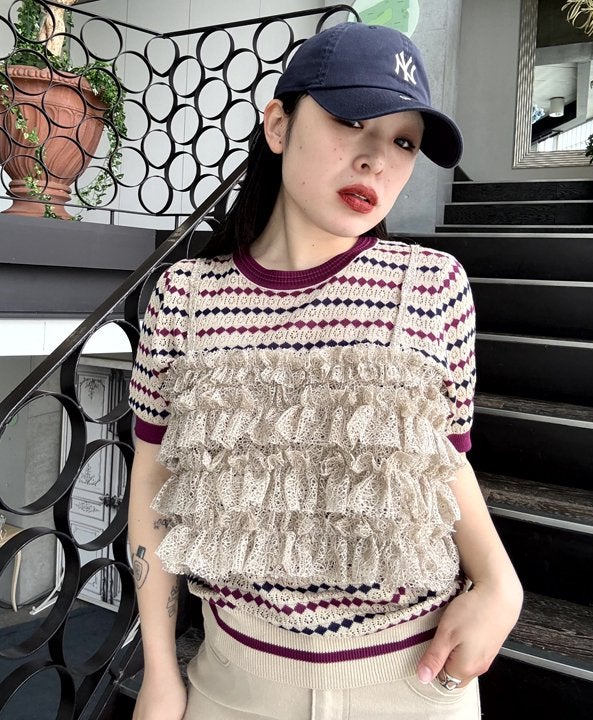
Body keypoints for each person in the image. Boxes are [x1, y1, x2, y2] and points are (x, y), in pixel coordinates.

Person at [127, 21, 523, 720]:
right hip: (234, 685)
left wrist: (501, 581)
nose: (377, 161)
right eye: (351, 121)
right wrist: (159, 671)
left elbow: (441, 462)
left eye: (404, 142)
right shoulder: (184, 297)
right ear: (279, 125)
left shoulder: (431, 286)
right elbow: (151, 489)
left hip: (414, 686)